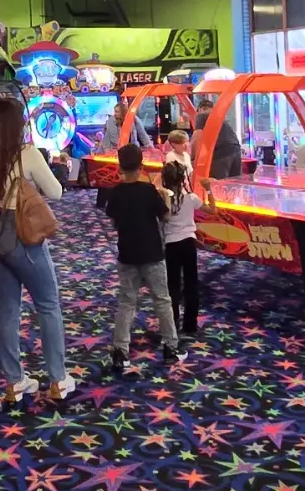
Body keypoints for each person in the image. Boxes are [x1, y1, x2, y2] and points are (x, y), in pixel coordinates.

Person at [0, 96, 74, 402]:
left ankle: (14, 381)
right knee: (48, 305)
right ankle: (58, 379)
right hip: (22, 235)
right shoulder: (27, 154)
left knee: (7, 309)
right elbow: (55, 193)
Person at [97, 142, 180, 366]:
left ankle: (120, 351)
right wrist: (165, 197)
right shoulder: (148, 190)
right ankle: (170, 347)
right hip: (152, 251)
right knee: (162, 300)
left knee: (126, 302)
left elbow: (113, 221)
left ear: (120, 166)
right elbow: (165, 217)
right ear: (142, 165)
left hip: (127, 252)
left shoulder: (115, 193)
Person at [160, 157, 201, 336]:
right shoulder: (191, 198)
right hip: (189, 242)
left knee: (172, 285)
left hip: (171, 245)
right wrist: (208, 189)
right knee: (192, 283)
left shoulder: (163, 200)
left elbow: (163, 219)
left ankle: (173, 322)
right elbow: (211, 209)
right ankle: (191, 324)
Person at [194, 96, 245, 179]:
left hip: (221, 152)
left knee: (218, 183)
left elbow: (197, 136)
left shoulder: (202, 115)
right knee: (234, 182)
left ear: (201, 108)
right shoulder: (219, 117)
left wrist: (196, 157)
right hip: (236, 149)